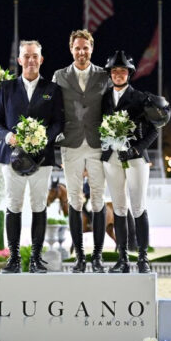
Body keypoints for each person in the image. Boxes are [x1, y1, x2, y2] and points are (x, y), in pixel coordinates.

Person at [0, 40, 64, 273]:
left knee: (39, 205)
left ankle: (35, 259)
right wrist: (8, 136)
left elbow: (59, 123)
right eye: (26, 56)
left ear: (41, 60)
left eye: (35, 56)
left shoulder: (53, 90)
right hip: (10, 157)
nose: (31, 60)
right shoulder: (6, 88)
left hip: (42, 159)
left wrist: (44, 138)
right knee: (13, 205)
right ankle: (13, 259)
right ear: (19, 60)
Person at [100, 50, 163, 273]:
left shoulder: (140, 98)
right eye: (115, 71)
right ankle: (123, 258)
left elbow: (154, 131)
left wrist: (137, 148)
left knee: (138, 206)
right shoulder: (103, 98)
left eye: (122, 71)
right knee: (118, 207)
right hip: (111, 158)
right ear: (110, 74)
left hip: (135, 158)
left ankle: (143, 258)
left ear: (129, 73)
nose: (118, 74)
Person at [52, 29, 110, 273]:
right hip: (71, 143)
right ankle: (79, 257)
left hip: (98, 144)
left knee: (98, 200)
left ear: (92, 49)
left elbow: (112, 108)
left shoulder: (104, 75)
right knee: (74, 199)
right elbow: (53, 109)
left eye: (85, 47)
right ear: (71, 49)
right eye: (77, 47)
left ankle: (97, 256)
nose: (81, 52)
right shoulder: (59, 75)